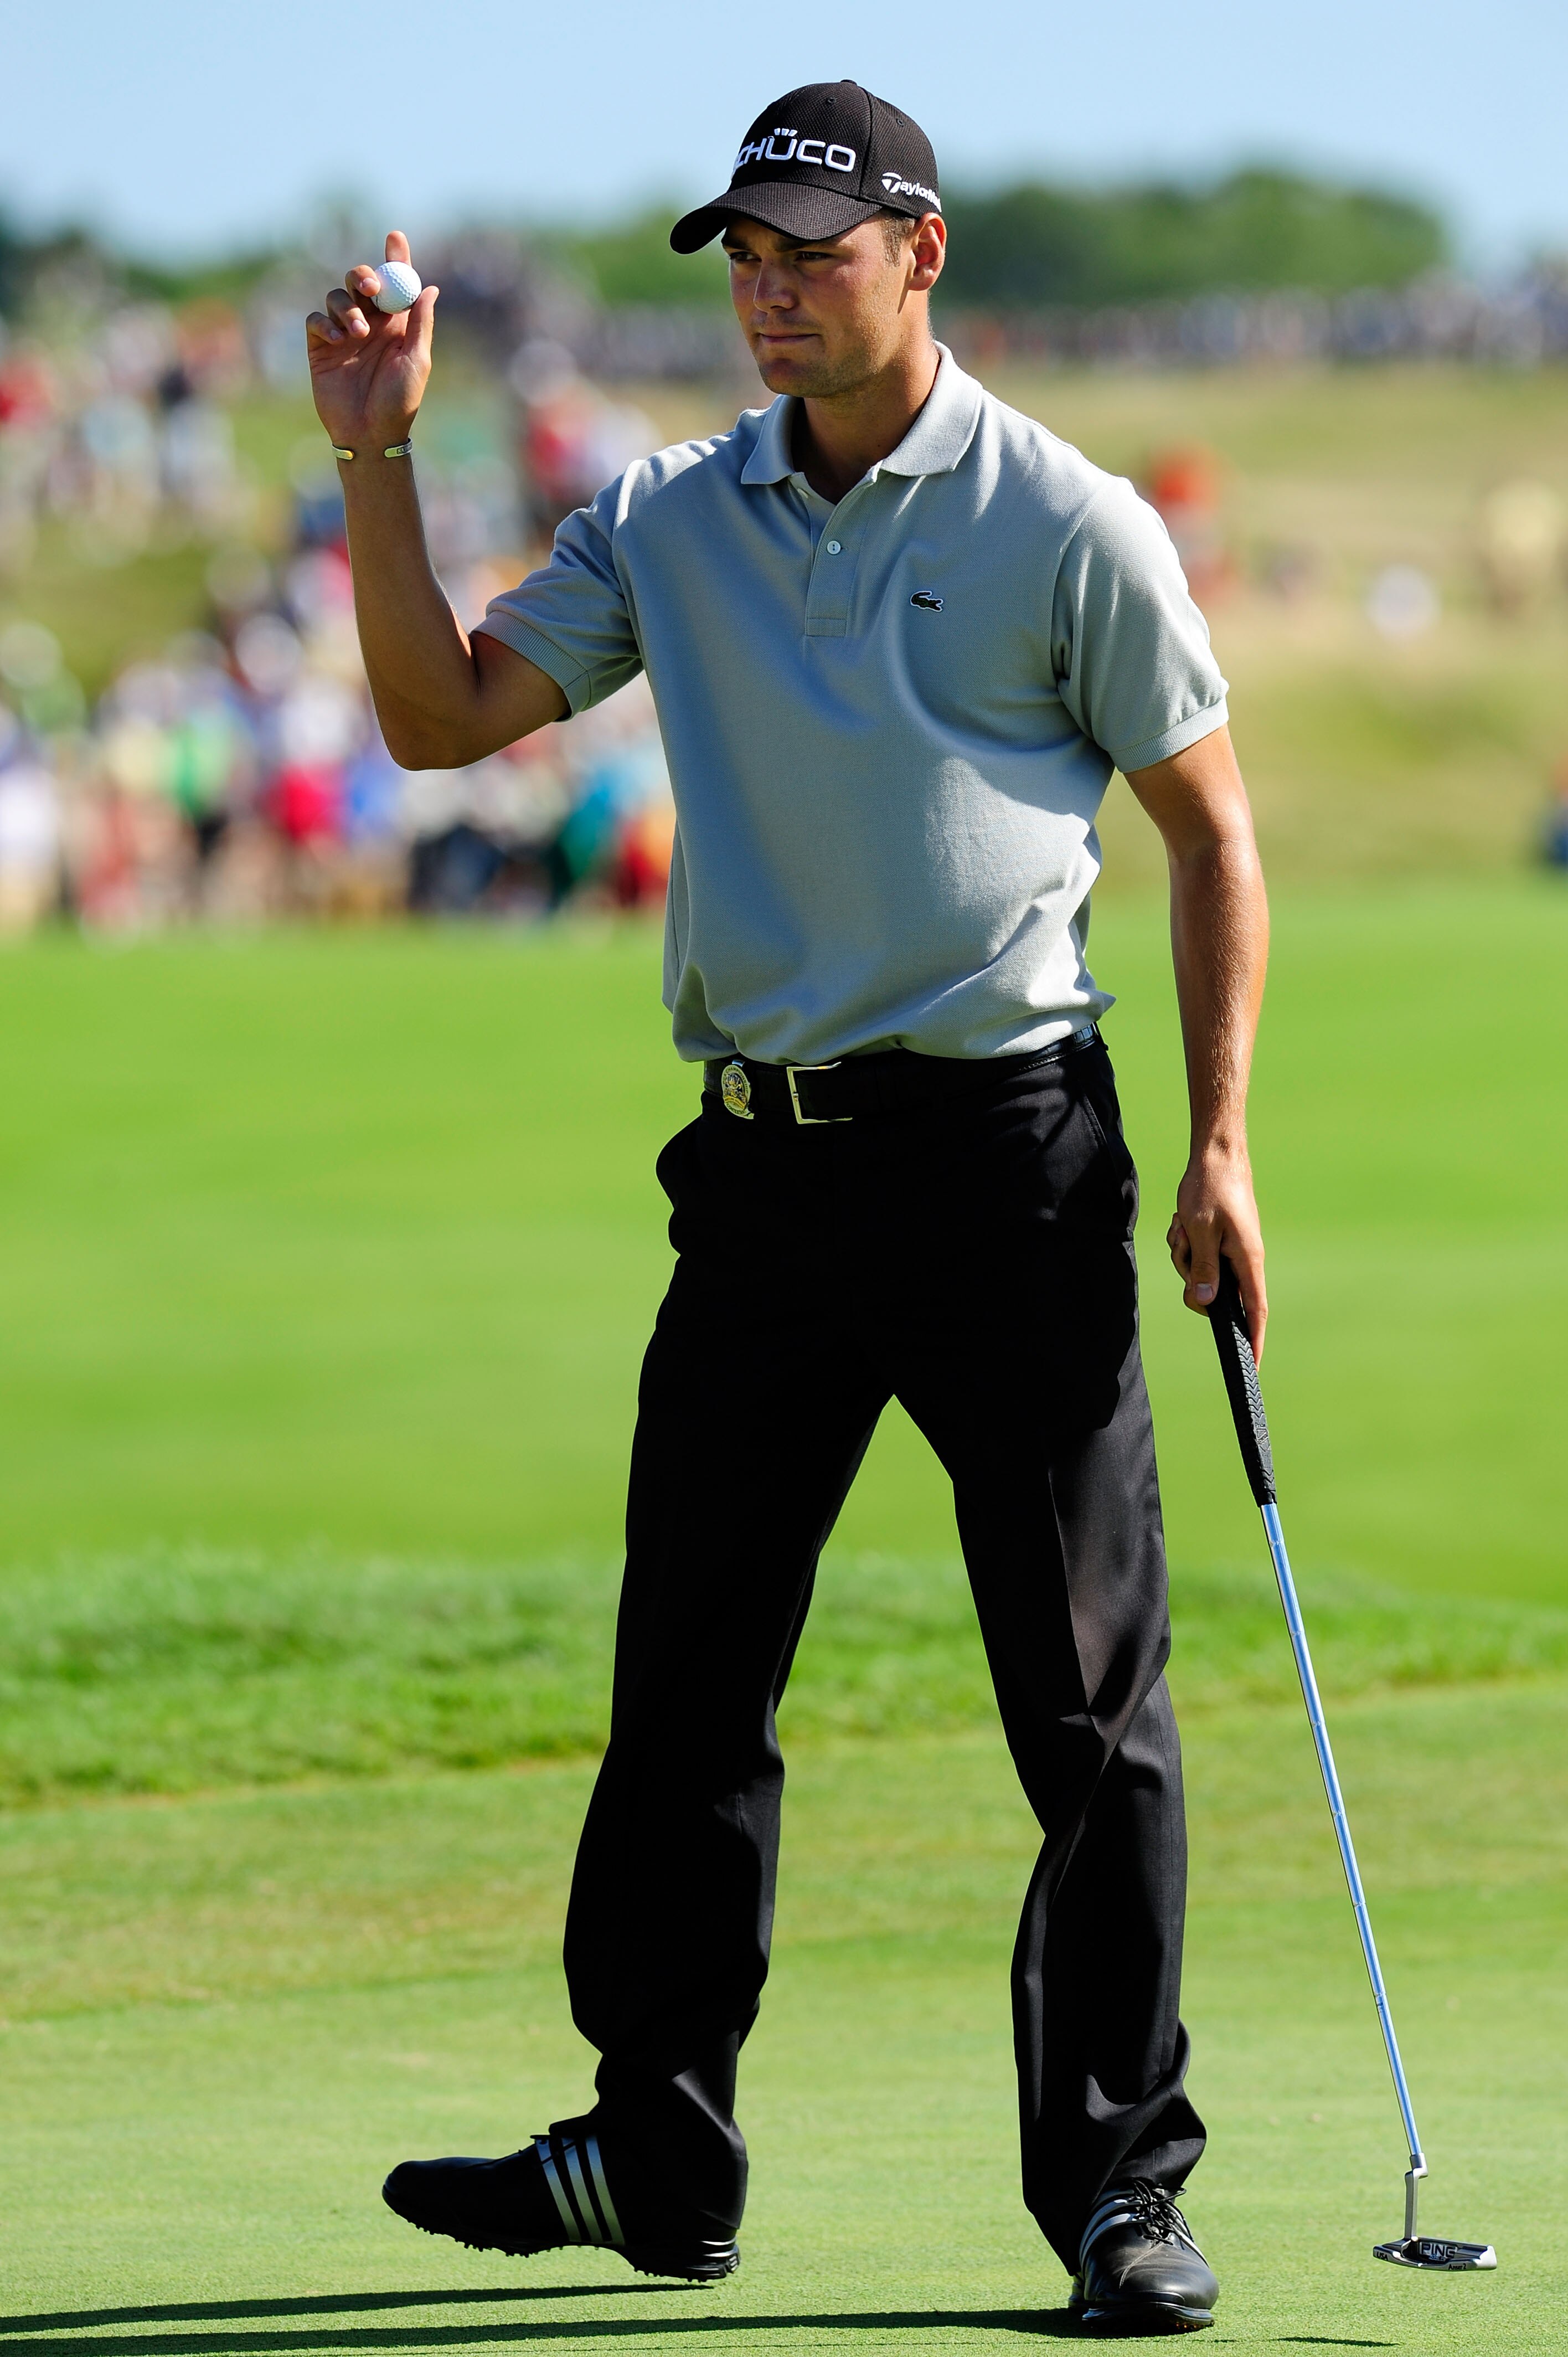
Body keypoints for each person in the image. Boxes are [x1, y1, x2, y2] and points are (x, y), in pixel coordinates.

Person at [306, 81, 1268, 2338]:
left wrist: (1219, 1144)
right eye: (740, 254)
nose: (764, 289)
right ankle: (656, 2140)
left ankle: (1125, 2187)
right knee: (689, 1675)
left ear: (919, 253)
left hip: (1013, 1160)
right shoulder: (668, 516)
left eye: (809, 250)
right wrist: (374, 451)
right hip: (763, 1171)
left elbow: (1215, 833)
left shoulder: (1065, 518)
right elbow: (445, 721)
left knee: (1088, 1703)